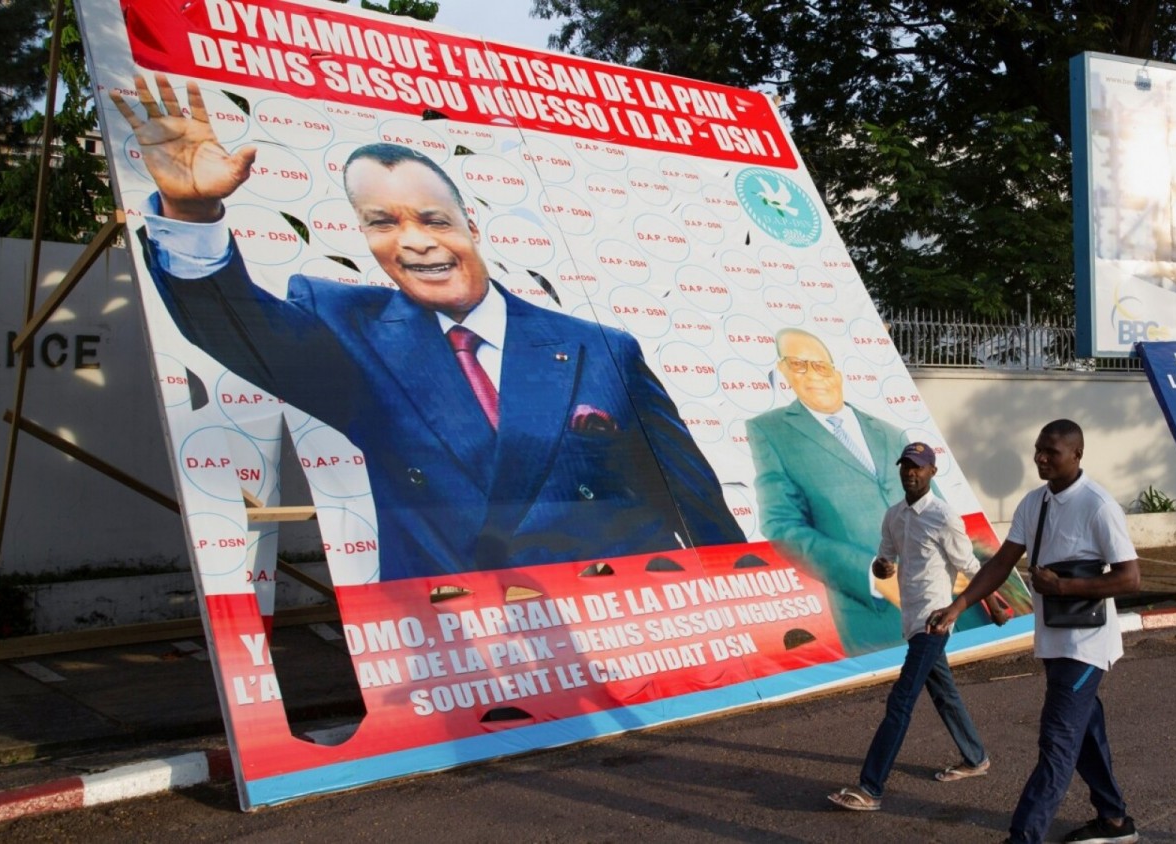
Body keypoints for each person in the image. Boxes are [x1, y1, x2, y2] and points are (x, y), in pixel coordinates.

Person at [111, 73, 744, 581]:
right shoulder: (349, 332)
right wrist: (191, 211)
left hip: (626, 625)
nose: (413, 242)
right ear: (364, 235)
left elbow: (692, 497)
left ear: (471, 221)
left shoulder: (602, 349)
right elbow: (236, 328)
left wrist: (744, 605)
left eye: (433, 219)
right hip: (463, 649)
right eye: (383, 222)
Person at [746, 328, 1021, 655]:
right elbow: (783, 527)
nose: (812, 376)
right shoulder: (770, 431)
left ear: (836, 373)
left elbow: (940, 514)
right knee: (913, 686)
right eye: (798, 365)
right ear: (783, 372)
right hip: (878, 617)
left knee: (956, 685)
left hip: (956, 602)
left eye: (820, 366)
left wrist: (982, 591)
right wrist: (874, 577)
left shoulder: (890, 432)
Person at [929, 419, 1140, 844]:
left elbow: (1130, 578)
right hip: (1054, 640)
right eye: (1038, 450)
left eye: (1052, 452)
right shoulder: (1034, 503)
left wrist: (1064, 586)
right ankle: (1114, 820)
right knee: (1085, 731)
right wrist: (960, 604)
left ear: (1077, 455)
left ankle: (1024, 836)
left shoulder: (1098, 505)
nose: (1041, 458)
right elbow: (1001, 563)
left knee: (1058, 739)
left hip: (1086, 645)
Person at [826, 443, 990, 812]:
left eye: (917, 467)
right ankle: (976, 758)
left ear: (932, 472)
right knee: (943, 692)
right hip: (910, 619)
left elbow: (971, 566)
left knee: (901, 701)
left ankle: (870, 788)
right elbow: (884, 561)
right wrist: (881, 568)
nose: (910, 473)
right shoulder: (894, 516)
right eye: (905, 467)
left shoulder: (944, 517)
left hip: (934, 621)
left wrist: (994, 603)